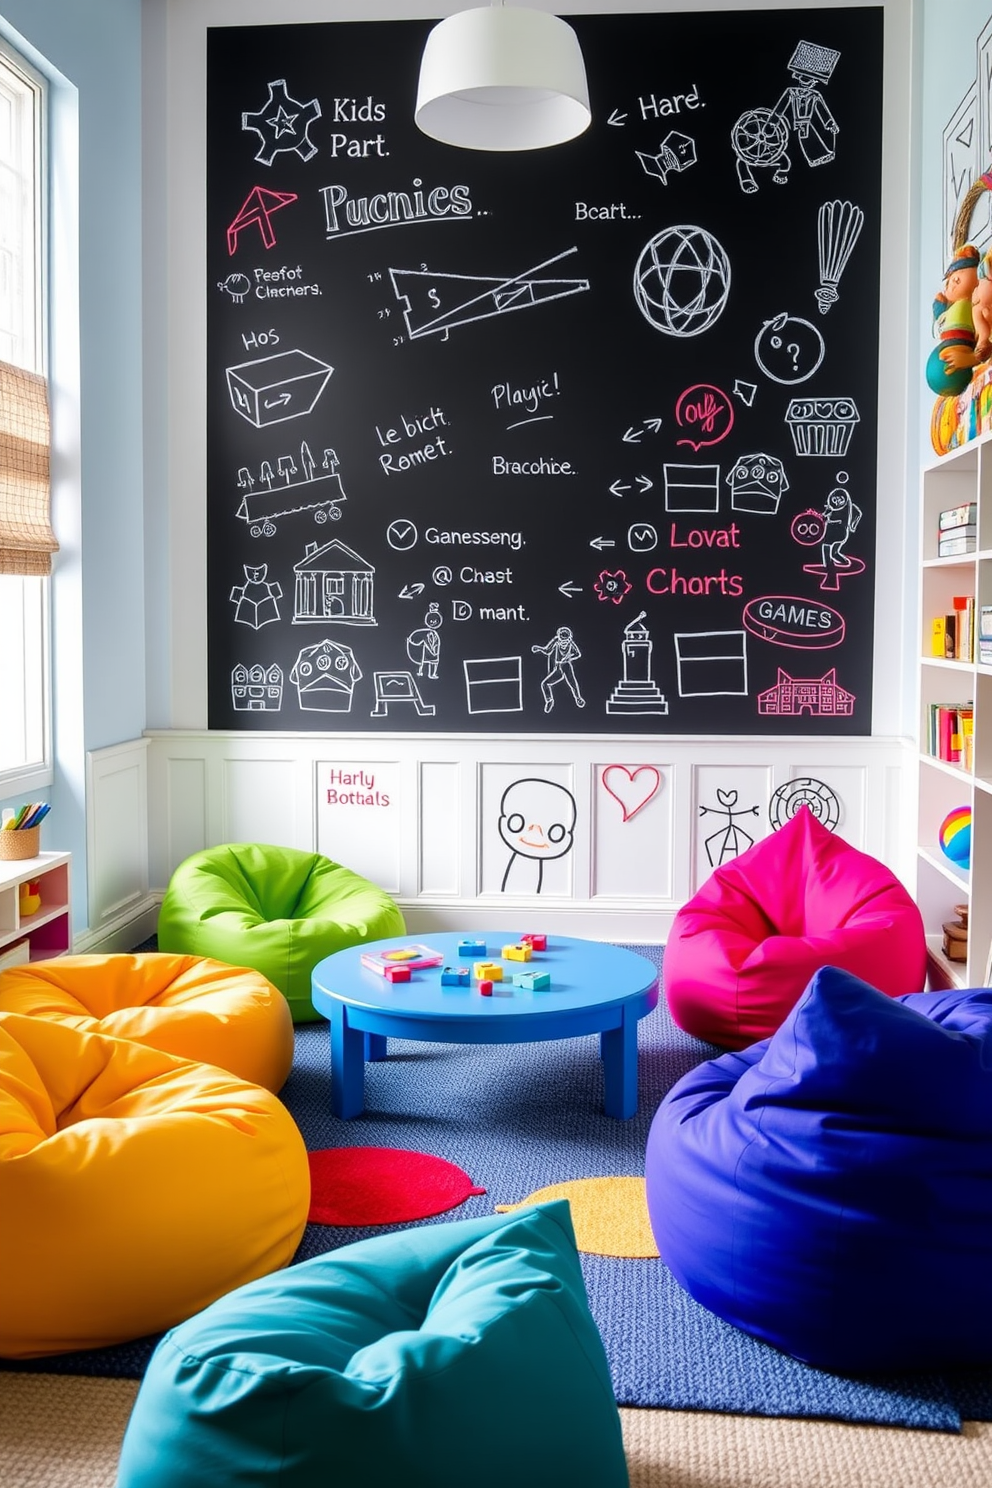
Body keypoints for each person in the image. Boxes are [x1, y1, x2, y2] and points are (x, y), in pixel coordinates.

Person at [926, 244, 980, 396]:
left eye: (957, 277)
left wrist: (969, 358)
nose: (953, 283)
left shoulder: (975, 308)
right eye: (948, 283)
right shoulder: (954, 312)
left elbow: (984, 343)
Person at [532, 626, 585, 713]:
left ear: (569, 639)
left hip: (566, 666)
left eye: (566, 641)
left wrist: (568, 658)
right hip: (558, 668)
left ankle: (578, 698)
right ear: (559, 639)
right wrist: (538, 648)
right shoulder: (556, 640)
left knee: (572, 682)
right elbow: (547, 650)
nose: (564, 644)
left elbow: (578, 654)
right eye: (562, 641)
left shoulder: (571, 644)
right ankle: (549, 700)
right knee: (544, 684)